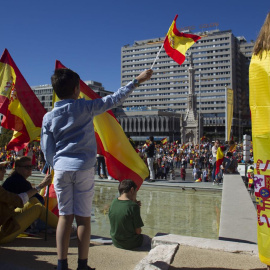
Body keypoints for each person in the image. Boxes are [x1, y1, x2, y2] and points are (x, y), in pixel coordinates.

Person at [41, 68, 153, 270]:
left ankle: (61, 265)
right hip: (83, 168)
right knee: (83, 218)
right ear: (77, 89)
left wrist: (55, 165)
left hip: (62, 169)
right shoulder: (86, 107)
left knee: (64, 218)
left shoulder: (48, 117)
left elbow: (46, 149)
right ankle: (82, 266)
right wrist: (137, 80)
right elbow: (115, 99)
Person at [0, 161, 58, 244]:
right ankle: (67, 229)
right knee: (37, 208)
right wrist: (40, 186)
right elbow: (19, 199)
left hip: (6, 218)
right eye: (1, 168)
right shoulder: (18, 181)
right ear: (18, 169)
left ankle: (60, 226)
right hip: (3, 232)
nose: (4, 171)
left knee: (33, 201)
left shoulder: (12, 179)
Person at [108, 179, 151, 250]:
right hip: (130, 243)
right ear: (132, 190)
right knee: (148, 240)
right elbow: (138, 231)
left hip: (116, 241)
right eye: (136, 192)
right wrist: (135, 206)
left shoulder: (114, 202)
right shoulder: (133, 206)